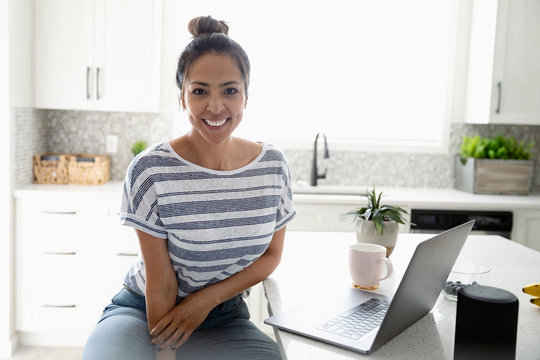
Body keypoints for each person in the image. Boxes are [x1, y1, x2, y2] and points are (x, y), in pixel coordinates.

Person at [82, 15, 295, 360]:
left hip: (224, 319)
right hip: (143, 312)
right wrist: (166, 354)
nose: (215, 106)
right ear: (182, 97)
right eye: (199, 91)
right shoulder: (151, 170)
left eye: (230, 90)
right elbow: (161, 282)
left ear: (246, 95)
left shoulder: (272, 166)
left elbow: (271, 255)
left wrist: (205, 300)